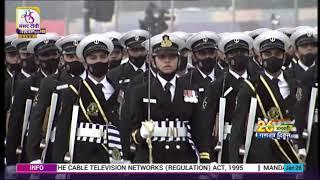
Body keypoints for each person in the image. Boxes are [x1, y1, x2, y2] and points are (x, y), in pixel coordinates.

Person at [129, 33, 210, 163]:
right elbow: (131, 130)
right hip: (151, 157)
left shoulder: (190, 90)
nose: (167, 61)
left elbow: (199, 128)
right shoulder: (141, 91)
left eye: (172, 57)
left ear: (179, 60)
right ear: (153, 61)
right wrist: (141, 133)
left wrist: (205, 158)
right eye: (161, 57)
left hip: (183, 157)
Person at [229, 30, 301, 164]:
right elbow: (237, 127)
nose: (272, 57)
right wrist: (235, 164)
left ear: (284, 58)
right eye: (268, 54)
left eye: (277, 54)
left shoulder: (295, 84)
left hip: (291, 150)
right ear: (260, 58)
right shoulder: (251, 86)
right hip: (261, 154)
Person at [53, 33, 123, 163]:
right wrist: (59, 165)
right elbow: (63, 131)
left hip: (114, 156)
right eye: (93, 57)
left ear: (108, 59)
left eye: (103, 57)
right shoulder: (74, 91)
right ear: (85, 62)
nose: (98, 61)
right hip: (84, 157)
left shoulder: (118, 90)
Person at [5, 33, 61, 178]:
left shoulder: (68, 82)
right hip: (33, 147)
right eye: (45, 55)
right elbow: (15, 124)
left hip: (59, 147)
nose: (50, 59)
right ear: (36, 59)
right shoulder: (26, 85)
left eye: (53, 54)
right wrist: (11, 163)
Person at [26, 34, 86, 164]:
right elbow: (37, 117)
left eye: (77, 56)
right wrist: (33, 156)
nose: (74, 60)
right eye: (70, 56)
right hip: (59, 143)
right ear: (62, 58)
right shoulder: (50, 82)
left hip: (89, 145)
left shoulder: (95, 79)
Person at [199, 32, 253, 163]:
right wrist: (208, 156)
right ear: (226, 57)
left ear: (249, 54)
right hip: (225, 143)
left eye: (242, 52)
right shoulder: (217, 86)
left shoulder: (258, 81)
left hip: (253, 142)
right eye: (233, 53)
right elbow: (206, 122)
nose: (238, 56)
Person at [183, 31, 223, 102]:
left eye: (211, 52)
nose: (207, 56)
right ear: (194, 57)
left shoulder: (225, 78)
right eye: (202, 53)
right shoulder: (185, 81)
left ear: (216, 54)